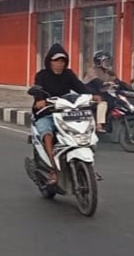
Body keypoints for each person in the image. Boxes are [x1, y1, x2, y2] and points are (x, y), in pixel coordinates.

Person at [31, 43, 93, 186]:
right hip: (46, 113)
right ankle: (53, 168)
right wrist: (40, 100)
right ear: (49, 61)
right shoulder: (42, 75)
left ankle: (87, 167)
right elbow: (38, 91)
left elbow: (80, 87)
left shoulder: (68, 74)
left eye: (62, 61)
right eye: (56, 61)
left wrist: (94, 95)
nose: (59, 64)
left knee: (85, 132)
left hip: (66, 113)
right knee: (47, 134)